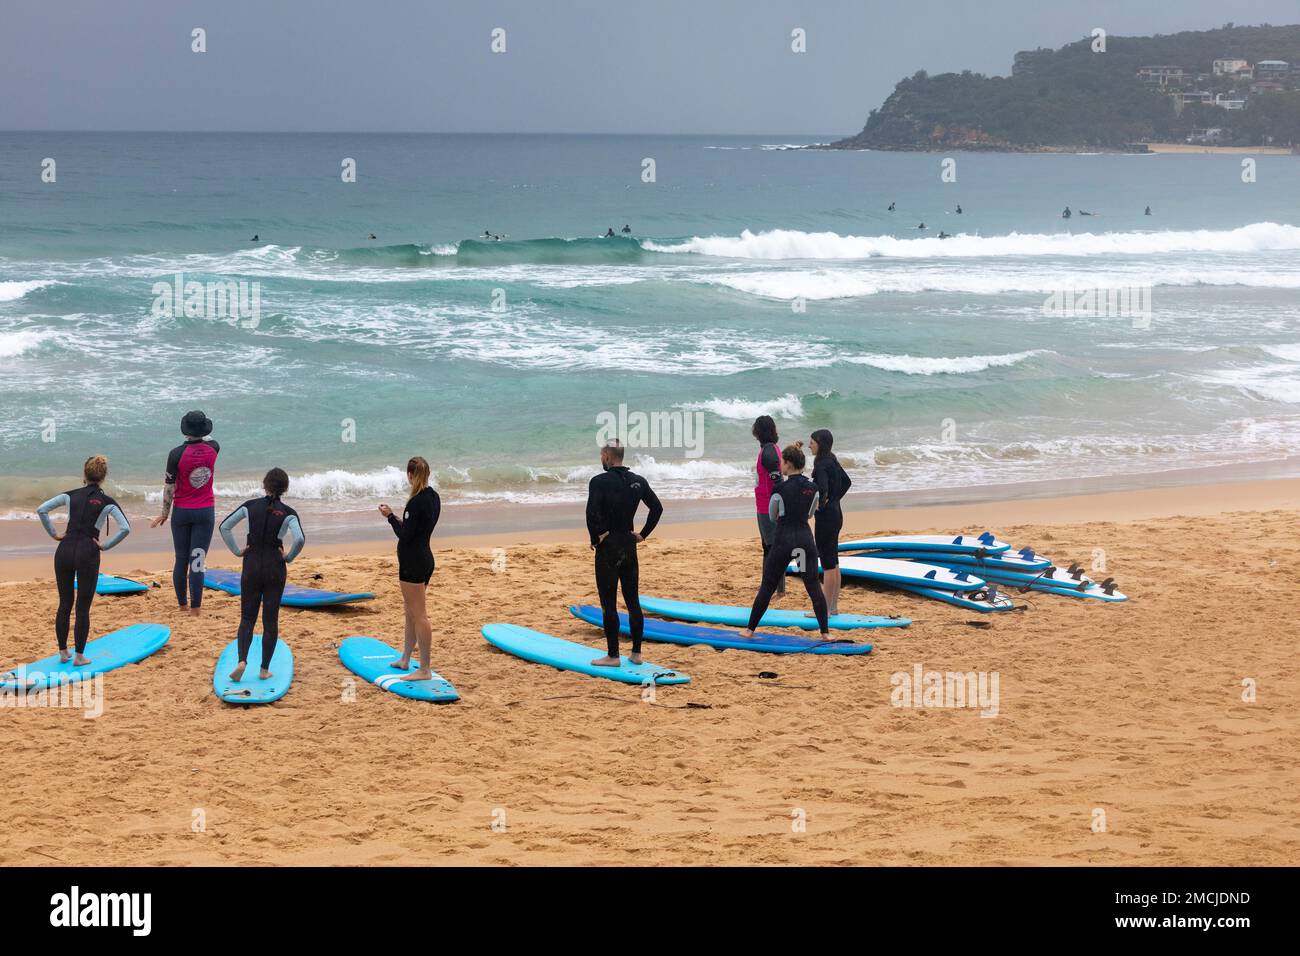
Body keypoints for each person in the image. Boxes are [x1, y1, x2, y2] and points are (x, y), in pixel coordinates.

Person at [36, 456, 131, 665]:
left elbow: (41, 509)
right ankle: (79, 656)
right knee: (82, 607)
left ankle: (63, 652)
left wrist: (53, 533)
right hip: (88, 552)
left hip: (64, 550)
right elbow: (125, 528)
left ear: (84, 474)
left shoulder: (70, 495)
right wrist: (105, 546)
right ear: (103, 477)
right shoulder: (107, 502)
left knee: (64, 604)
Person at [218, 468, 305, 682]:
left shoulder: (249, 506)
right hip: (275, 567)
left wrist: (237, 551)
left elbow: (224, 527)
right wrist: (289, 557)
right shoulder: (289, 513)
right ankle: (264, 669)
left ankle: (241, 661)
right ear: (285, 488)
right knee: (270, 619)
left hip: (252, 564)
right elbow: (300, 539)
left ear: (264, 485)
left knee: (247, 617)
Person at [585, 440, 662, 667]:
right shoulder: (637, 481)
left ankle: (613, 656)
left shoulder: (599, 481)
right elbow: (657, 508)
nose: (601, 459)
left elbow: (591, 513)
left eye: (602, 455)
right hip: (629, 545)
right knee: (633, 601)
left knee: (609, 603)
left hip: (608, 547)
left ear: (607, 456)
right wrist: (642, 534)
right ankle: (637, 654)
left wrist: (596, 537)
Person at [740, 443, 829, 639]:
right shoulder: (813, 488)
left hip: (783, 541)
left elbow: (772, 516)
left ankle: (749, 630)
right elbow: (811, 513)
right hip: (804, 541)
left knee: (768, 585)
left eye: (782, 462)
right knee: (813, 585)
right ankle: (825, 632)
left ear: (788, 464)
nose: (780, 464)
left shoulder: (779, 488)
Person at [150, 411, 219, 617]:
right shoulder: (214, 448)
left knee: (181, 559)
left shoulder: (176, 454)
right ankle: (196, 609)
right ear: (204, 429)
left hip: (181, 512)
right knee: (197, 559)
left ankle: (182, 605)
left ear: (185, 429)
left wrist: (164, 513)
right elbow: (209, 440)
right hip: (205, 511)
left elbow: (169, 487)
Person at [378, 457, 441, 681]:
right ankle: (405, 659)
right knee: (410, 612)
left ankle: (424, 669)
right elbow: (415, 530)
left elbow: (405, 536)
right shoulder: (433, 497)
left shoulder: (415, 502)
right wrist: (397, 515)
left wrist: (390, 518)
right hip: (426, 558)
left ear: (410, 475)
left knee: (419, 615)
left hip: (412, 563)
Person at [809, 429, 851, 617]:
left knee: (827, 563)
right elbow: (847, 482)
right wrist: (835, 499)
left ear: (820, 443)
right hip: (837, 513)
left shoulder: (821, 465)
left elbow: (822, 490)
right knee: (833, 561)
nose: (809, 445)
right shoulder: (832, 460)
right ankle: (832, 608)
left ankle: (824, 609)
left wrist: (820, 505)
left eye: (812, 442)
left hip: (826, 517)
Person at [752, 415, 784, 595]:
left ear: (759, 431)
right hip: (764, 505)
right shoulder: (768, 449)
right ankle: (769, 586)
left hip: (768, 507)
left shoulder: (769, 452)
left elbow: (777, 480)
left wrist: (779, 504)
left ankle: (777, 590)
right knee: (768, 547)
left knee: (773, 548)